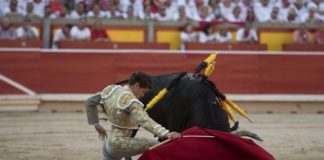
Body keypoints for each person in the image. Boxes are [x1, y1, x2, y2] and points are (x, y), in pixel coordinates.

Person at [85, 72, 181, 160]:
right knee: (157, 145)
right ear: (137, 85)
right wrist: (166, 133)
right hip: (119, 145)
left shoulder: (112, 90)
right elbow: (145, 121)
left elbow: (89, 101)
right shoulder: (131, 101)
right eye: (143, 91)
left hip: (108, 144)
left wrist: (96, 124)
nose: (143, 95)